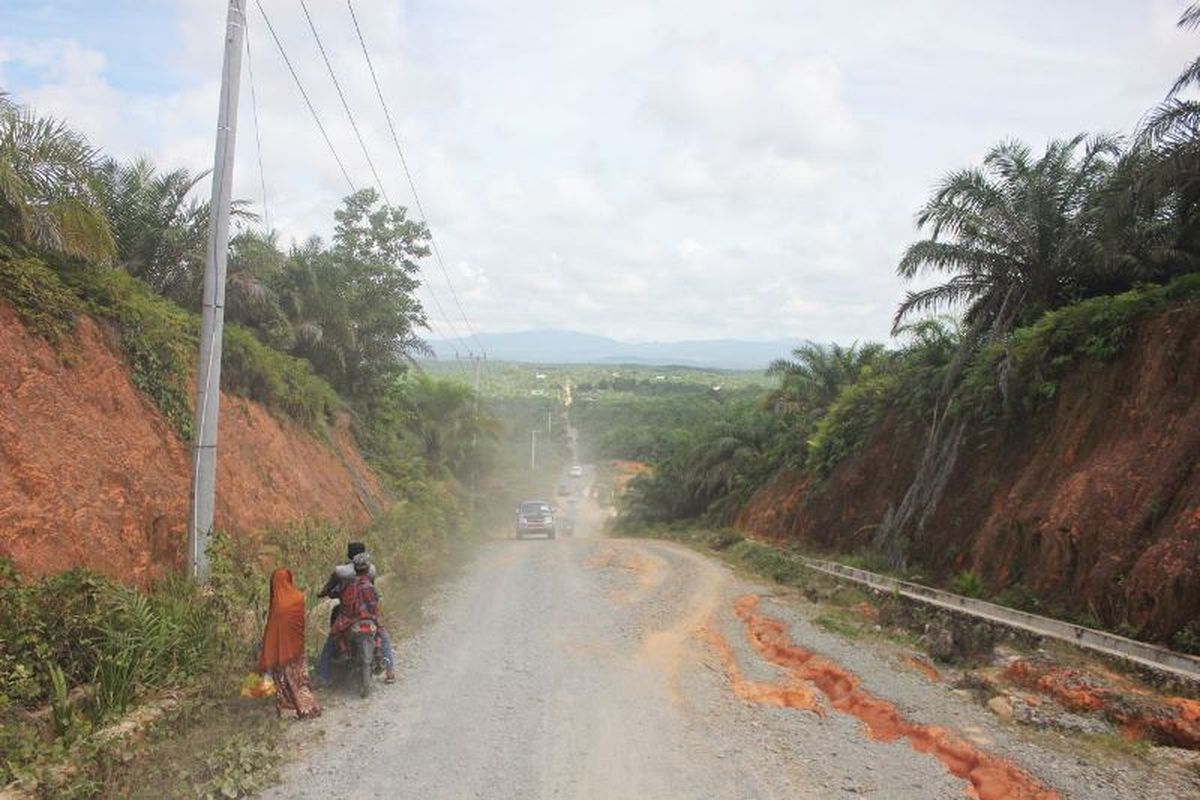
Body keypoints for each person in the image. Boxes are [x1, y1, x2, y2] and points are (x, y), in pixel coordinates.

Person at [316, 546, 395, 684]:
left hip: (349, 619)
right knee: (384, 637)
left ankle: (323, 676)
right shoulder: (370, 581)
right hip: (371, 618)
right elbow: (375, 602)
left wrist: (327, 594)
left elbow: (333, 592)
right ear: (366, 568)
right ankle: (390, 671)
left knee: (332, 638)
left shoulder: (344, 579)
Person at [257, 568, 321, 719]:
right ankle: (309, 707)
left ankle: (289, 711)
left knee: (283, 681)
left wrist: (268, 650)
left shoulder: (277, 603)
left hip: (281, 651)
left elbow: (272, 629)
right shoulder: (298, 597)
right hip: (298, 648)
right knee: (300, 680)